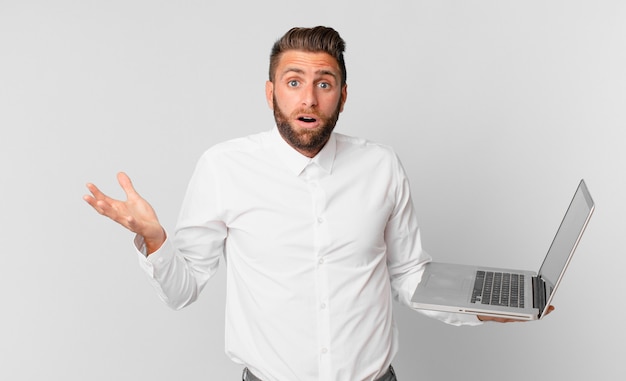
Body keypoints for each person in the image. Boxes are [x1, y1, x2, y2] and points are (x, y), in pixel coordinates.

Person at [84, 26, 551, 381]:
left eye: (324, 84)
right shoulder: (224, 168)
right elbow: (182, 290)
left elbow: (410, 276)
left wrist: (488, 306)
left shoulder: (382, 166)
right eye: (293, 82)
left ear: (343, 96)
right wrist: (154, 239)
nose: (308, 98)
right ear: (270, 92)